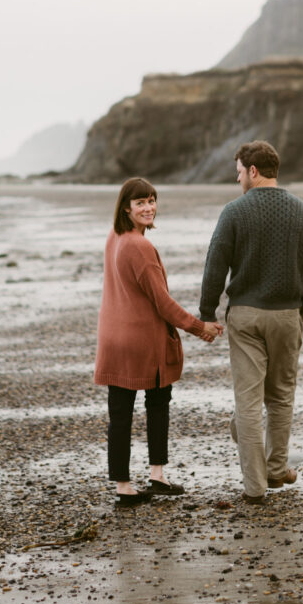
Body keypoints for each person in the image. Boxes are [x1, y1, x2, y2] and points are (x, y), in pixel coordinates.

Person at [199, 140, 303, 504]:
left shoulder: (234, 212)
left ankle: (255, 488)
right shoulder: (302, 212)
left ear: (253, 171)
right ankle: (275, 468)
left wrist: (207, 313)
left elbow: (215, 265)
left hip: (246, 315)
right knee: (281, 396)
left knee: (248, 402)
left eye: (239, 172)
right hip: (287, 315)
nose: (237, 179)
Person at [95, 177, 221, 507]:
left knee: (120, 414)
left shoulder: (115, 237)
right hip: (142, 342)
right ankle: (157, 475)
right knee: (157, 404)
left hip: (112, 339)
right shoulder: (140, 246)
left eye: (151, 200)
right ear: (126, 207)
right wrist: (199, 327)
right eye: (140, 203)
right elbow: (162, 303)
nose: (148, 207)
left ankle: (123, 484)